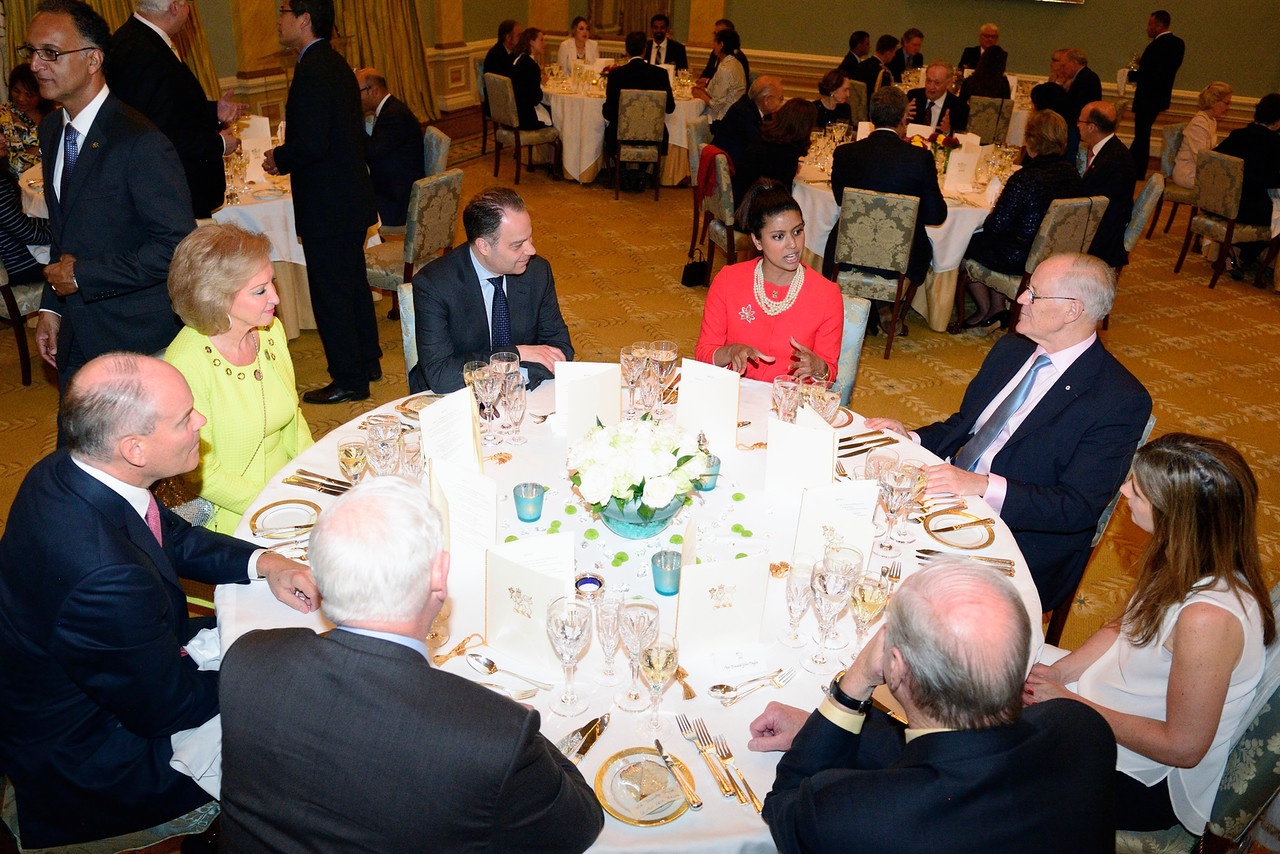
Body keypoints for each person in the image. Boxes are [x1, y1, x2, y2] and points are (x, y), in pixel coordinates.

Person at [0, 353, 316, 848]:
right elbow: (166, 710)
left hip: (121, 665)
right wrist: (269, 673)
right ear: (135, 448)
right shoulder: (103, 577)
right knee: (309, 737)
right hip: (96, 756)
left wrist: (267, 563)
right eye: (185, 418)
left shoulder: (70, 467)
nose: (201, 422)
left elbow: (171, 535)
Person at [220, 478, 603, 852]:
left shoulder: (248, 658)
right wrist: (522, 730)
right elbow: (579, 826)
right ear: (440, 576)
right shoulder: (492, 738)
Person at [749, 560, 1117, 854]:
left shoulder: (851, 816)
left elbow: (785, 803)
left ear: (895, 667)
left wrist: (853, 685)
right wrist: (833, 731)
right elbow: (954, 754)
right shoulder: (1082, 728)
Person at [866, 252, 1153, 612]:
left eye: (1034, 293)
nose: (1020, 300)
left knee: (909, 597)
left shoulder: (1118, 399)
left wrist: (981, 486)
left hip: (1018, 539)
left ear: (1072, 310)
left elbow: (1076, 508)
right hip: (947, 495)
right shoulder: (1012, 348)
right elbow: (966, 425)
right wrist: (913, 438)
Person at [1025, 434, 1274, 835]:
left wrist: (1072, 705)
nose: (1123, 490)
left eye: (1138, 491)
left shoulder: (1207, 620)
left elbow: (1183, 748)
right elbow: (1124, 625)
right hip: (1103, 706)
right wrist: (1061, 673)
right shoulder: (1185, 554)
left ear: (1174, 515)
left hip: (1142, 777)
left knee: (983, 761)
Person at [30, 0, 194, 393]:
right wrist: (52, 305)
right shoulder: (53, 129)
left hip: (136, 338)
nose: (36, 65)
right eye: (31, 52)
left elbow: (176, 247)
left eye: (51, 53)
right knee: (76, 450)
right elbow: (64, 231)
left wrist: (82, 276)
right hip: (78, 331)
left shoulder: (140, 141)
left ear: (92, 60)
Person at [265, 0, 380, 404]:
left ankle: (349, 379)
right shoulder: (333, 62)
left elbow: (311, 143)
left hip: (329, 205)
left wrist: (279, 158)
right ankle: (367, 361)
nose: (278, 21)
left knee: (332, 292)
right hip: (348, 197)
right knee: (350, 284)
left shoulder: (313, 69)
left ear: (304, 19)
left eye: (283, 12)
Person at [164, 224, 313, 535]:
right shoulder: (187, 363)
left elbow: (293, 418)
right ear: (215, 298)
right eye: (259, 290)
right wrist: (274, 502)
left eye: (272, 283)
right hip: (230, 511)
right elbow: (200, 472)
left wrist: (311, 475)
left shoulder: (269, 332)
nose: (275, 297)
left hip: (287, 488)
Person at [410, 187, 573, 394]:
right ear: (484, 246)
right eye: (517, 245)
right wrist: (515, 355)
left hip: (522, 393)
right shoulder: (434, 284)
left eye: (530, 238)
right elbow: (442, 375)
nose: (531, 250)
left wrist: (514, 380)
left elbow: (560, 350)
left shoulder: (537, 272)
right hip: (453, 401)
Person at [105, 0, 243, 219]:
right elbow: (157, 133)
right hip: (166, 191)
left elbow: (168, 107)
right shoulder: (143, 52)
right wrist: (219, 144)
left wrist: (212, 112)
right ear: (175, 8)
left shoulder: (136, 38)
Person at [826, 85, 947, 334]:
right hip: (900, 255)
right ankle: (882, 304)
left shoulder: (845, 153)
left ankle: (872, 305)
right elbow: (936, 215)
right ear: (904, 118)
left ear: (871, 117)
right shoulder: (919, 158)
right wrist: (904, 215)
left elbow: (841, 199)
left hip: (849, 248)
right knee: (921, 245)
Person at [695, 182, 841, 383]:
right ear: (757, 241)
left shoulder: (826, 294)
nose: (793, 244)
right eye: (779, 236)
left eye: (797, 231)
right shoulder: (729, 280)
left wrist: (819, 367)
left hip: (789, 405)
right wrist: (730, 352)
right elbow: (703, 353)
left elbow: (829, 375)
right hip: (736, 398)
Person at [960, 110, 1082, 328]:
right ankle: (998, 309)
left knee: (964, 244)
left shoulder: (1025, 178)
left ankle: (984, 307)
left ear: (1032, 140)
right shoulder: (1072, 174)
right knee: (998, 240)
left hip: (1020, 259)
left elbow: (995, 226)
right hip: (1057, 254)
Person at [1214, 94, 1280, 277]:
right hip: (1252, 209)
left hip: (1223, 204)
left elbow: (1214, 160)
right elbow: (1273, 181)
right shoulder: (1275, 144)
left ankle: (1234, 253)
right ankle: (1244, 256)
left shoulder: (1238, 135)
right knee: (1277, 218)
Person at [357, 67, 424, 228]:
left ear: (372, 91)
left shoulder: (394, 115)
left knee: (349, 206)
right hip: (390, 186)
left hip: (397, 199)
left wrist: (353, 120)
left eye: (356, 92)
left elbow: (372, 152)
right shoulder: (390, 109)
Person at [1078, 101, 1136, 269]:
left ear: (1091, 127)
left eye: (1080, 121)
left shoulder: (1113, 161)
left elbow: (1091, 202)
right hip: (1101, 223)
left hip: (1101, 238)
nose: (1077, 125)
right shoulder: (1110, 149)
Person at [602, 31, 675, 160]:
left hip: (620, 135)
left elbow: (608, 113)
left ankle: (622, 170)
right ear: (645, 49)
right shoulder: (660, 74)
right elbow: (670, 108)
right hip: (653, 135)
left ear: (626, 50)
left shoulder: (616, 75)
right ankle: (641, 172)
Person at [1130, 10, 1185, 176]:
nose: (1148, 28)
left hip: (1147, 97)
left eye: (1150, 24)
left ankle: (1137, 169)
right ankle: (1131, 164)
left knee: (1142, 134)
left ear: (1159, 25)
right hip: (1161, 96)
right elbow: (1163, 69)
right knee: (1142, 132)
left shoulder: (1155, 46)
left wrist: (1128, 74)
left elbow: (1147, 74)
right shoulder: (1178, 44)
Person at [733, 98, 816, 202]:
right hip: (755, 203)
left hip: (740, 193)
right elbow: (782, 192)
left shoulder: (767, 136)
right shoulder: (788, 152)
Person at [0, 136, 52, 286]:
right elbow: (29, 234)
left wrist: (55, 224)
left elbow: (18, 222)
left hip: (16, 255)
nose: (3, 139)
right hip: (20, 264)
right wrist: (65, 231)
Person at [709, 73, 782, 168]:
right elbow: (759, 148)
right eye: (780, 99)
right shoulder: (744, 115)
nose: (781, 103)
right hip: (732, 170)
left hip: (737, 162)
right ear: (767, 100)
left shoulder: (748, 105)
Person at [1172, 82, 1233, 189]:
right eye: (1226, 103)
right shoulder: (1199, 123)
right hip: (1188, 172)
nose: (1228, 108)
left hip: (1200, 169)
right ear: (1214, 102)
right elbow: (1200, 157)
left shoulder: (1211, 120)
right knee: (1225, 185)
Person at [0, 63, 52, 176]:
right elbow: (14, 161)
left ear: (41, 94)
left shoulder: (55, 116)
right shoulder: (4, 114)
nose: (21, 99)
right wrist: (42, 149)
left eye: (29, 94)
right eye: (17, 91)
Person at [1055, 49, 1102, 162]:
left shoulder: (1085, 79)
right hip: (1082, 121)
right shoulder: (1085, 76)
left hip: (1081, 124)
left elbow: (1074, 108)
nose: (1062, 69)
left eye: (1064, 66)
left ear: (1074, 63)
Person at [693, 27, 746, 122]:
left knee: (691, 121)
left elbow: (717, 106)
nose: (713, 45)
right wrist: (706, 91)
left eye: (715, 42)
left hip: (723, 121)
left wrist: (702, 95)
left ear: (721, 44)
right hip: (736, 116)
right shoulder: (737, 64)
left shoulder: (725, 69)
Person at [907, 60, 967, 135]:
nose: (931, 87)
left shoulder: (959, 107)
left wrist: (947, 132)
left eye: (937, 83)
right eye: (928, 81)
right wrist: (902, 116)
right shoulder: (913, 96)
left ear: (948, 83)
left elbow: (960, 139)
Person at [510, 27, 551, 129]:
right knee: (558, 116)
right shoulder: (531, 65)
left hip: (513, 114)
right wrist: (540, 84)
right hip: (526, 117)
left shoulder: (518, 59)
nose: (544, 44)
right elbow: (535, 98)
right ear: (531, 42)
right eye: (541, 40)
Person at [698, 19, 749, 83]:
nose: (716, 39)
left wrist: (707, 82)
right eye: (715, 34)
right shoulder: (715, 53)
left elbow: (726, 84)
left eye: (720, 34)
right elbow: (706, 73)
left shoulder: (737, 58)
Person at [852, 34, 897, 105]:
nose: (894, 55)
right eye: (894, 52)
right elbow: (886, 101)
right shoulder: (883, 73)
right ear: (888, 53)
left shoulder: (861, 65)